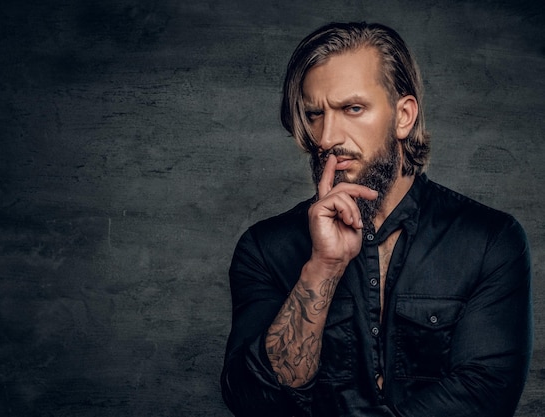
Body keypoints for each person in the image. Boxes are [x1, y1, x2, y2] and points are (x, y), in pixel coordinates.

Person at [220, 22, 532, 417]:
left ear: (403, 116)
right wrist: (323, 269)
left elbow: (483, 394)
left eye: (353, 109)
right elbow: (254, 400)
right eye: (315, 113)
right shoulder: (264, 249)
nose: (327, 137)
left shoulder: (490, 241)